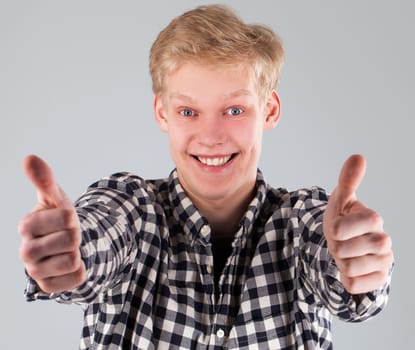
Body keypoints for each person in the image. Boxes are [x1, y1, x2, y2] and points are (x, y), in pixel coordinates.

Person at [18, 4, 394, 350]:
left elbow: (344, 281)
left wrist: (358, 266)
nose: (211, 136)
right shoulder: (131, 207)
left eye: (234, 110)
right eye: (188, 111)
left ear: (270, 110)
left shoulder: (302, 223)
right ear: (162, 114)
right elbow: (99, 236)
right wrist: (70, 253)